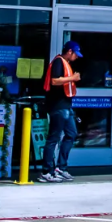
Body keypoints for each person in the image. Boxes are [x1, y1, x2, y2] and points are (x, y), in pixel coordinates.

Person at [39, 40, 82, 183]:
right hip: (58, 106)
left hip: (66, 106)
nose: (77, 57)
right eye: (76, 54)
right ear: (69, 51)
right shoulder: (59, 61)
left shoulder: (66, 63)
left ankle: (60, 168)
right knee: (53, 138)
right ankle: (46, 171)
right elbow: (55, 81)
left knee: (71, 134)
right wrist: (73, 78)